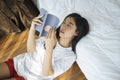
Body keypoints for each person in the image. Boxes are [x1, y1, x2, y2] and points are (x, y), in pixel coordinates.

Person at [0, 13, 89, 80]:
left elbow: (47, 73)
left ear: (76, 33)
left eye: (69, 25)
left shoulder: (69, 56)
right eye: (64, 22)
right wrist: (32, 28)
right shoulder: (51, 35)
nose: (63, 26)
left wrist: (50, 47)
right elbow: (31, 50)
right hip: (19, 64)